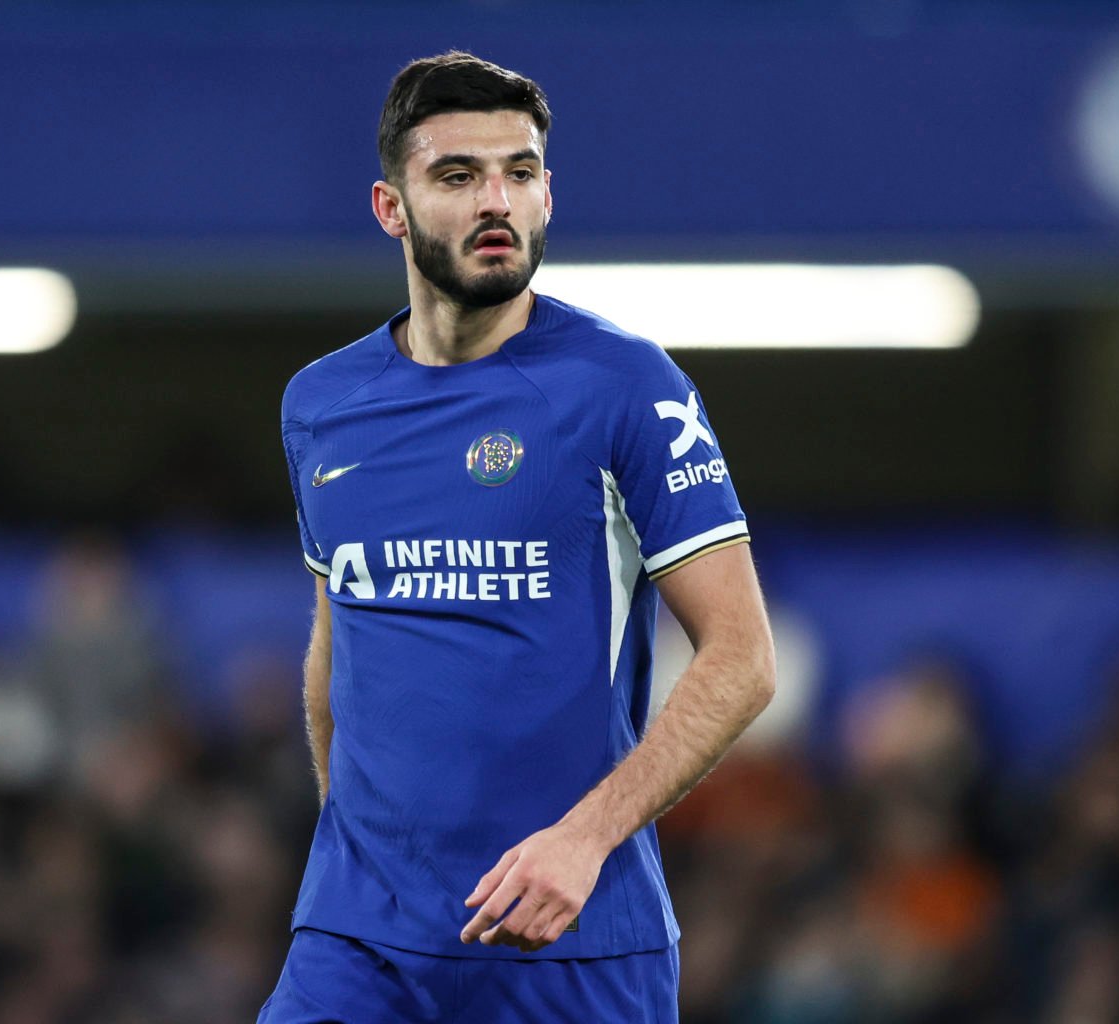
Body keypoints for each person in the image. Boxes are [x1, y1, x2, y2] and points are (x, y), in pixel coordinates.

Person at [261, 51, 776, 1023]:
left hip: (574, 948)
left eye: (521, 172)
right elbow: (340, 643)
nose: (496, 198)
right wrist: (357, 858)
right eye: (457, 176)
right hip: (359, 943)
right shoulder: (321, 405)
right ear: (391, 207)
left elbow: (743, 658)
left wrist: (585, 839)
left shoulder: (628, 386)